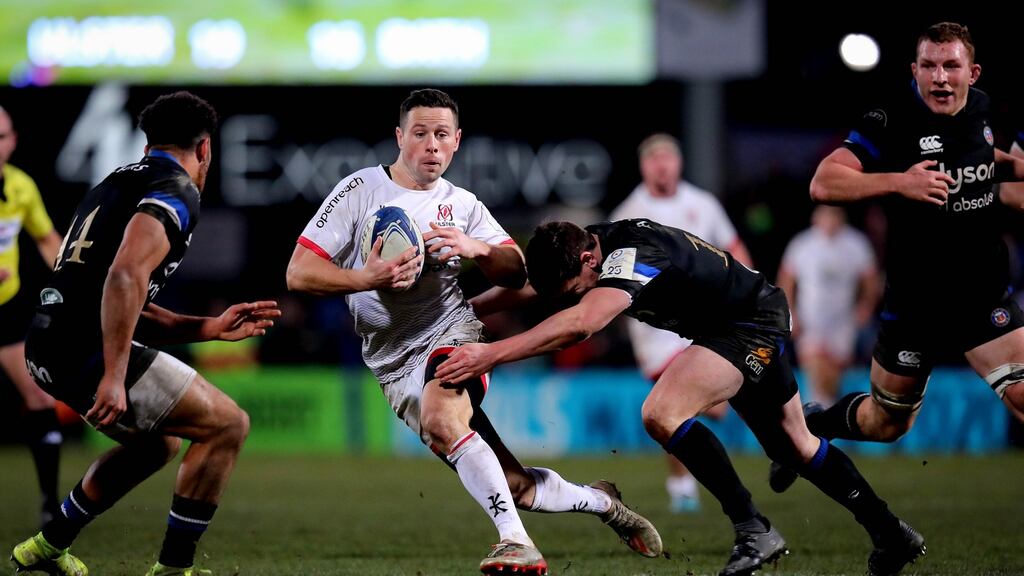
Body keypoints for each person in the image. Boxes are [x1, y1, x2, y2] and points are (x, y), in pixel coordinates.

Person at [285, 88, 661, 576]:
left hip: (452, 331)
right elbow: (299, 273)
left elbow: (516, 270)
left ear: (457, 141)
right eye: (420, 133)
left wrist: (476, 248)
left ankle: (516, 543)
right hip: (392, 363)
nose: (431, 145)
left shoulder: (462, 205)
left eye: (442, 134)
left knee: (443, 416)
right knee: (514, 486)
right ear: (399, 137)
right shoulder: (359, 191)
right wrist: (366, 278)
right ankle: (603, 502)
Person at [436, 218, 926, 576]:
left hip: (747, 325)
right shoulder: (587, 244)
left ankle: (752, 529)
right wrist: (461, 311)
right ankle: (891, 534)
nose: (572, 295)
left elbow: (582, 323)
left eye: (573, 288)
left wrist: (490, 354)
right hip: (745, 316)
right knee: (795, 446)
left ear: (588, 261)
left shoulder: (631, 256)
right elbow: (532, 290)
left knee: (661, 412)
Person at [9, 91, 281, 576]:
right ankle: (174, 568)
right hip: (84, 347)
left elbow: (119, 296)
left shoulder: (114, 182)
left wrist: (208, 328)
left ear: (147, 144)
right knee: (227, 425)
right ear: (205, 148)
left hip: (48, 343)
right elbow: (123, 277)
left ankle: (49, 545)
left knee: (159, 442)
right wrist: (114, 376)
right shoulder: (176, 189)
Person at [768, 22, 1024, 493]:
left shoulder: (983, 110)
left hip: (983, 296)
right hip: (915, 303)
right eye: (929, 66)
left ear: (973, 73)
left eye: (951, 66)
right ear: (915, 70)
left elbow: (988, 166)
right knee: (888, 424)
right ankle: (816, 425)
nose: (940, 77)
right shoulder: (889, 119)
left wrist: (1014, 169)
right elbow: (823, 183)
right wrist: (900, 181)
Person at [610, 132, 752, 513]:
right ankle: (683, 487)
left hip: (708, 317)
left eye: (667, 159)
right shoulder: (628, 213)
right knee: (672, 409)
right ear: (643, 167)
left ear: (679, 163)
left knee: (707, 408)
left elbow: (733, 246)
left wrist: (748, 286)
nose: (662, 166)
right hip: (656, 328)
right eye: (654, 160)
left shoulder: (702, 204)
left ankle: (687, 483)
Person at [0, 104, 65, 527]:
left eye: (1, 136)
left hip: (4, 310)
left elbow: (46, 238)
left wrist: (72, 279)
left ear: (13, 141)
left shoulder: (21, 186)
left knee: (40, 398)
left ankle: (50, 505)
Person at [776, 205, 880, 406]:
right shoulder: (802, 244)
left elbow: (870, 279)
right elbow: (786, 279)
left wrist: (866, 306)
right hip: (811, 322)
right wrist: (790, 312)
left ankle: (825, 412)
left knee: (833, 376)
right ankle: (816, 414)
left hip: (842, 323)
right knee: (815, 366)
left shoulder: (856, 243)